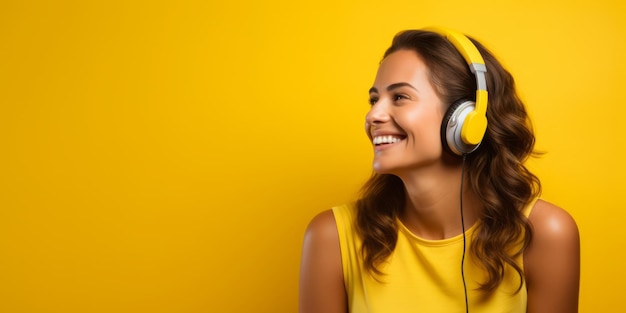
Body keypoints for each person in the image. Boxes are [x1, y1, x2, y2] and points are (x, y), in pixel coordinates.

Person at [299, 28, 580, 313]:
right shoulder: (331, 236)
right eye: (374, 100)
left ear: (465, 119)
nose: (373, 116)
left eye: (399, 97)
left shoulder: (545, 234)